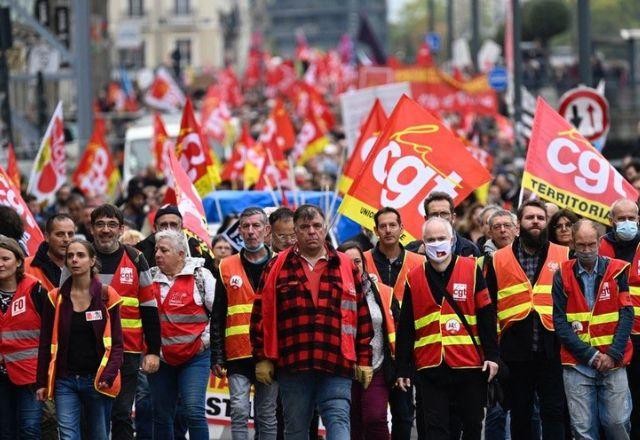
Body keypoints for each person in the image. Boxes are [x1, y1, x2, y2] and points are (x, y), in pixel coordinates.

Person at [251, 204, 374, 439]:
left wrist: (364, 358)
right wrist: (262, 357)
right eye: (305, 227)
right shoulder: (276, 266)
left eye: (317, 226)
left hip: (336, 361)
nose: (312, 232)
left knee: (338, 422)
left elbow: (360, 313)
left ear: (325, 227)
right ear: (295, 231)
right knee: (296, 430)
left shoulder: (345, 265)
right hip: (293, 364)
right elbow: (260, 315)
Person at [395, 217, 499, 440]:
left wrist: (492, 355)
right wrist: (403, 367)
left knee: (472, 424)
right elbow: (405, 326)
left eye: (441, 238)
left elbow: (486, 315)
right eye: (430, 240)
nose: (436, 244)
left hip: (469, 363)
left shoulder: (471, 270)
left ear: (452, 240)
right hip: (431, 365)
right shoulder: (413, 277)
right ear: (423, 243)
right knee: (436, 429)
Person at [485, 199, 570, 439]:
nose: (536, 222)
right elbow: (489, 307)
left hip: (552, 348)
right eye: (529, 217)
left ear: (546, 223)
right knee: (520, 414)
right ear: (519, 224)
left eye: (540, 218)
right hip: (514, 351)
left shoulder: (564, 254)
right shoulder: (498, 259)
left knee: (554, 413)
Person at [36, 239, 124, 440]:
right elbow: (45, 343)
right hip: (65, 381)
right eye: (70, 256)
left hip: (97, 380)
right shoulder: (54, 297)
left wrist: (107, 376)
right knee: (68, 436)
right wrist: (42, 381)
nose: (74, 260)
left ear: (92, 260)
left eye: (80, 255)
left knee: (99, 435)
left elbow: (117, 344)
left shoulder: (106, 295)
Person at [553, 219, 633, 439]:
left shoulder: (617, 270)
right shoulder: (561, 274)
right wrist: (590, 355)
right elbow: (559, 321)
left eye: (591, 244)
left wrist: (612, 354)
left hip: (614, 360)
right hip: (577, 363)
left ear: (599, 242)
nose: (587, 251)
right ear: (572, 244)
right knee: (583, 429)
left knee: (617, 422)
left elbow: (627, 314)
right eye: (581, 246)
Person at [89, 204, 161, 440]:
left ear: (121, 229)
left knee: (121, 415)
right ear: (91, 229)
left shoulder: (136, 258)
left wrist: (153, 350)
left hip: (127, 351)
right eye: (100, 224)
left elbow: (149, 308)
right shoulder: (80, 258)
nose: (106, 230)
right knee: (92, 416)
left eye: (112, 225)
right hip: (88, 351)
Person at [211, 207, 278, 439]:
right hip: (237, 354)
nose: (251, 232)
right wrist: (217, 355)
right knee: (239, 410)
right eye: (246, 226)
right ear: (239, 230)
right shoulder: (226, 266)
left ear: (267, 230)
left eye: (256, 226)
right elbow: (218, 313)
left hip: (270, 353)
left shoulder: (279, 265)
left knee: (266, 413)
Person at [363, 207, 424, 440]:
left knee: (404, 412)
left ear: (402, 228)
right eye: (383, 226)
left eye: (392, 225)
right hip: (373, 348)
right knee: (371, 414)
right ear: (375, 230)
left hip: (407, 348)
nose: (388, 230)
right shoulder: (363, 259)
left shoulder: (419, 262)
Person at [147, 229, 214, 440]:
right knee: (161, 415)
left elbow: (218, 314)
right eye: (157, 249)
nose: (157, 254)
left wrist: (204, 342)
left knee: (193, 412)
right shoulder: (148, 277)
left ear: (181, 254)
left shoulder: (201, 276)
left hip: (195, 357)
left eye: (164, 250)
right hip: (161, 358)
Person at [339, 241, 398, 440]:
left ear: (364, 263)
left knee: (375, 417)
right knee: (352, 419)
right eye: (348, 262)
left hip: (377, 366)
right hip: (343, 368)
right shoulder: (331, 292)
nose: (354, 266)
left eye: (357, 261)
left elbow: (397, 327)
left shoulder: (382, 292)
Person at [599, 198, 640, 437]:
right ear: (611, 221)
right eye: (621, 219)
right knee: (612, 406)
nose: (626, 223)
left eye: (631, 218)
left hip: (639, 334)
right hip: (610, 338)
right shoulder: (597, 247)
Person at [0, 236, 47, 439]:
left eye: (5, 258)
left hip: (30, 375)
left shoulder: (35, 289)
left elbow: (50, 331)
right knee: (5, 430)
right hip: (1, 377)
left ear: (18, 261)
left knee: (30, 428)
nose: (0, 264)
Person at [136, 204, 216, 276]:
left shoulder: (194, 245)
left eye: (173, 224)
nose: (169, 229)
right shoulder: (142, 249)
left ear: (181, 226)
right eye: (163, 225)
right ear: (155, 227)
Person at [407, 192, 481, 257]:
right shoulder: (412, 251)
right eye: (434, 214)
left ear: (453, 218)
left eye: (444, 214)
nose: (439, 218)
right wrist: (419, 258)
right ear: (426, 219)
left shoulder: (470, 249)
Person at [25, 214, 76, 291]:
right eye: (60, 234)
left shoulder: (84, 266)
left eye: (70, 234)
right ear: (47, 237)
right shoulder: (25, 266)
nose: (66, 239)